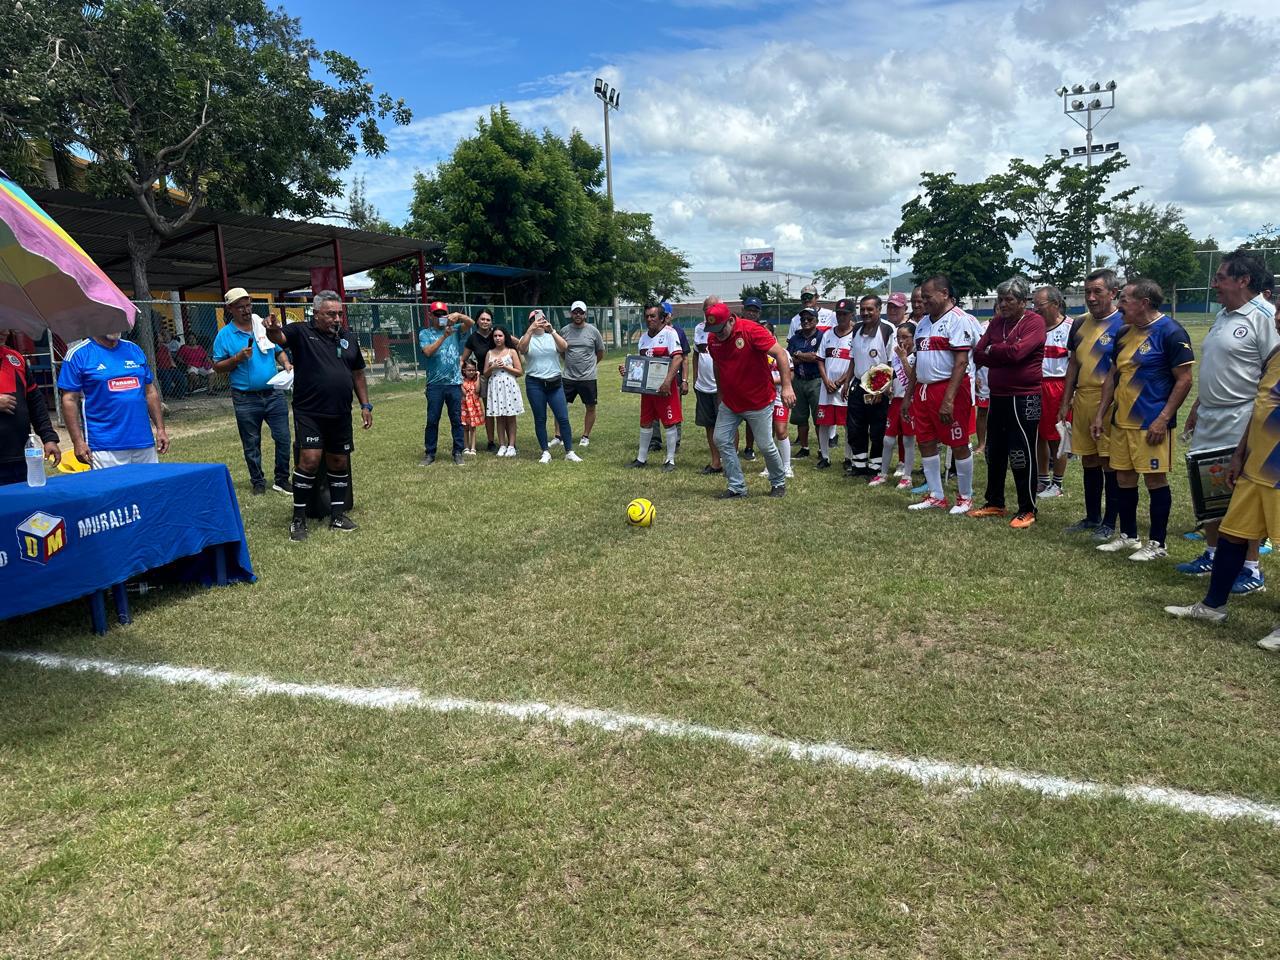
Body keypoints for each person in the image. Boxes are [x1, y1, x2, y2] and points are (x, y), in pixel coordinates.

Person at [1164, 303, 1280, 653]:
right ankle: (1213, 606)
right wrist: (1240, 454)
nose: (1278, 318)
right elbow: (1260, 409)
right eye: (1279, 311)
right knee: (1232, 534)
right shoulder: (1275, 356)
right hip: (1255, 466)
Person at [1176, 251, 1277, 592]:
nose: (1214, 283)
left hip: (1241, 416)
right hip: (1210, 415)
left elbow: (1271, 374)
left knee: (1239, 493)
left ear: (1243, 280)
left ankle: (1251, 568)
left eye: (1220, 277)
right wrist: (1198, 406)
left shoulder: (1263, 317)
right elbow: (1216, 367)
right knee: (1209, 488)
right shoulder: (1223, 314)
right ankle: (1212, 553)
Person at [1091, 279, 1194, 561]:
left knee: (1155, 480)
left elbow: (1184, 380)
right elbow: (1113, 376)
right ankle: (1129, 536)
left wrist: (1163, 418)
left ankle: (1158, 544)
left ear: (1144, 303)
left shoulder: (1171, 332)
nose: (1119, 305)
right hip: (1121, 422)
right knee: (1123, 478)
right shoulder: (1124, 332)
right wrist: (1101, 413)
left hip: (1151, 423)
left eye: (1124, 300)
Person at [265, 290, 372, 542]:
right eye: (330, 314)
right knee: (310, 461)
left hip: (340, 413)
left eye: (339, 314)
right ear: (316, 313)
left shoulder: (348, 338)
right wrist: (272, 329)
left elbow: (358, 373)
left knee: (339, 462)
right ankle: (298, 519)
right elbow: (278, 337)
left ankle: (337, 515)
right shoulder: (301, 332)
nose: (336, 319)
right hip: (310, 412)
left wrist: (365, 405)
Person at [969, 276, 1046, 528]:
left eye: (1009, 299)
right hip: (998, 395)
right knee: (995, 451)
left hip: (1023, 396)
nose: (1003, 304)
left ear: (1023, 301)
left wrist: (995, 350)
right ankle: (995, 502)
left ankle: (1027, 508)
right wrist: (1002, 351)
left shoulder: (1034, 322)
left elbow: (1018, 353)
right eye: (1000, 299)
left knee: (1021, 453)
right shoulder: (997, 323)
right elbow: (978, 353)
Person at [1059, 269, 1126, 540]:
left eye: (1097, 291)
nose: (1091, 297)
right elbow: (1073, 365)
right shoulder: (1079, 324)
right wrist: (1066, 400)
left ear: (1113, 293)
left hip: (1110, 400)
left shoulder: (1124, 323)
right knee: (1088, 458)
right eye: (1087, 292)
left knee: (1109, 460)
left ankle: (1110, 521)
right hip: (1083, 398)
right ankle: (1092, 516)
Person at [704, 301, 795, 498]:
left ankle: (778, 481)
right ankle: (737, 486)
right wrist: (720, 393)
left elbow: (780, 353)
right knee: (721, 439)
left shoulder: (752, 330)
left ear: (731, 320)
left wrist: (787, 386)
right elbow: (718, 365)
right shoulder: (713, 339)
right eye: (713, 330)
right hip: (731, 401)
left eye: (720, 329)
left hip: (758, 400)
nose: (717, 334)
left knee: (765, 445)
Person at [907, 275, 981, 514]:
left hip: (950, 388)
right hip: (924, 389)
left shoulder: (959, 320)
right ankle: (936, 495)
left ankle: (965, 497)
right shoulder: (922, 323)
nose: (923, 302)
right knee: (926, 441)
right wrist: (908, 397)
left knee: (958, 443)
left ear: (945, 294)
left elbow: (961, 362)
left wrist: (949, 399)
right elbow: (918, 362)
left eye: (927, 297)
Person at [212, 287, 294, 495]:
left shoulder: (262, 327)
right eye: (240, 307)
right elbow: (217, 366)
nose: (246, 310)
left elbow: (278, 351)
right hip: (245, 398)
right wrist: (237, 358)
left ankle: (282, 479)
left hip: (274, 393)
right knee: (251, 442)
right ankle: (258, 482)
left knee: (283, 437)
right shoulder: (225, 335)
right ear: (230, 309)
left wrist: (286, 363)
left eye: (248, 305)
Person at [59, 330, 169, 469]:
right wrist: (77, 441)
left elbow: (150, 392)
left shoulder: (134, 349)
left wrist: (160, 429)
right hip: (104, 446)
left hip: (143, 442)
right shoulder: (78, 354)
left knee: (149, 483)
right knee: (112, 484)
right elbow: (69, 400)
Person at [623, 304, 683, 471]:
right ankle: (641, 459)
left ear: (662, 318)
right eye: (647, 316)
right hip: (647, 390)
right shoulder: (643, 338)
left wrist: (667, 381)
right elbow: (641, 365)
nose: (649, 319)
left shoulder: (670, 333)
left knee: (669, 422)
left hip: (665, 388)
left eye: (653, 316)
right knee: (646, 422)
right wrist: (628, 372)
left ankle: (670, 460)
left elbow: (678, 358)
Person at [843, 294, 896, 477]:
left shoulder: (887, 329)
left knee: (877, 429)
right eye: (862, 309)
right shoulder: (857, 328)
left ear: (879, 310)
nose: (865, 313)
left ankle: (875, 466)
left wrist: (881, 389)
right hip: (858, 384)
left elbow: (891, 363)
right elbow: (852, 358)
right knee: (855, 427)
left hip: (878, 387)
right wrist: (847, 381)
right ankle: (859, 465)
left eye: (869, 309)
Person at [519, 309, 581, 464]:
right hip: (535, 383)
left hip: (554, 383)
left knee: (563, 417)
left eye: (542, 319)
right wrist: (530, 330)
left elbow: (564, 347)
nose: (539, 322)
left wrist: (552, 330)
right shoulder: (526, 337)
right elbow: (522, 349)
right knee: (540, 418)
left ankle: (569, 451)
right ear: (530, 322)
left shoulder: (551, 336)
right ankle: (545, 452)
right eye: (535, 319)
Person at [0, 329, 60, 484]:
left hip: (21, 456)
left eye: (6, 326)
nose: (4, 331)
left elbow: (35, 402)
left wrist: (48, 438)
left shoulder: (15, 358)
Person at [418, 300, 474, 466]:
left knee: (456, 419)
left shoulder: (455, 329)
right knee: (432, 420)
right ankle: (430, 453)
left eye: (443, 314)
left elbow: (471, 323)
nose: (440, 317)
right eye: (437, 315)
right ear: (430, 316)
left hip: (454, 383)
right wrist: (444, 336)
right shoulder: (425, 333)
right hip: (435, 384)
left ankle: (458, 452)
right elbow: (428, 352)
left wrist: (459, 315)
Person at [1031, 285, 1072, 498]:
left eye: (1040, 305)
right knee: (1039, 435)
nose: (1035, 309)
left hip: (1058, 387)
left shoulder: (1070, 328)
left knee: (1057, 436)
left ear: (1055, 304)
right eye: (1034, 304)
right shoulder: (1033, 327)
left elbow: (1076, 365)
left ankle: (1057, 483)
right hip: (1035, 386)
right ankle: (1043, 479)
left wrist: (1070, 395)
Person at [869, 323, 917, 489]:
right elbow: (893, 375)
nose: (901, 341)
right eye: (899, 337)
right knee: (888, 439)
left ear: (913, 338)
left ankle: (907, 476)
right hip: (895, 401)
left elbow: (912, 378)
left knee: (908, 440)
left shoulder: (916, 356)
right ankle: (883, 474)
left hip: (910, 401)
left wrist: (903, 358)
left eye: (906, 337)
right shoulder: (895, 356)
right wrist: (886, 387)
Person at [815, 299, 856, 469]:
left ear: (851, 314)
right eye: (838, 314)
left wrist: (840, 381)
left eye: (844, 314)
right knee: (824, 422)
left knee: (848, 423)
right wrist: (826, 381)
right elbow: (820, 359)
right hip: (827, 386)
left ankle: (848, 458)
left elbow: (855, 362)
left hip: (845, 386)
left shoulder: (856, 335)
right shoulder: (828, 334)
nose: (841, 317)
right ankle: (825, 457)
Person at [560, 300, 605, 447]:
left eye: (581, 312)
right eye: (575, 312)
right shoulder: (564, 331)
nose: (578, 315)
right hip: (568, 377)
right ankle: (559, 436)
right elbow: (561, 351)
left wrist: (591, 365)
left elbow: (600, 352)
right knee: (560, 405)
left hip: (588, 377)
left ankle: (585, 436)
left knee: (590, 406)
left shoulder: (593, 331)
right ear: (571, 314)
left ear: (585, 314)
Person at [692, 297, 725, 475]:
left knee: (727, 425)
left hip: (722, 387)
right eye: (707, 308)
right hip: (703, 386)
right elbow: (696, 354)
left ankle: (729, 461)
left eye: (714, 307)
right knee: (709, 425)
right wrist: (695, 378)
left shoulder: (725, 327)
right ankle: (715, 462)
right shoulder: (699, 328)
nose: (709, 311)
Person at [785, 308, 823, 459]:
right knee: (800, 417)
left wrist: (799, 354)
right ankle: (804, 447)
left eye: (809, 319)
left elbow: (816, 357)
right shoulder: (795, 338)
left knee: (819, 417)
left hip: (816, 380)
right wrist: (804, 356)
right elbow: (789, 359)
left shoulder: (821, 336)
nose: (806, 321)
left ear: (816, 320)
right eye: (803, 319)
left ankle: (822, 449)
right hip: (799, 380)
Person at [460, 308, 497, 452]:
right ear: (477, 321)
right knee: (488, 409)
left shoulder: (496, 334)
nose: (485, 322)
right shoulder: (473, 338)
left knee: (502, 411)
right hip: (483, 377)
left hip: (500, 375)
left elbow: (514, 342)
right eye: (482, 319)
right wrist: (458, 375)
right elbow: (463, 359)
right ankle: (491, 441)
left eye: (488, 319)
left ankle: (506, 442)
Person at [483, 327, 523, 455]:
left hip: (509, 386)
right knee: (499, 417)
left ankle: (511, 445)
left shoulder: (512, 351)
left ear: (505, 337)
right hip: (495, 387)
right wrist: (492, 367)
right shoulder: (489, 353)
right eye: (495, 336)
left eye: (500, 336)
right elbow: (485, 373)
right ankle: (502, 445)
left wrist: (505, 366)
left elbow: (519, 371)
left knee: (511, 417)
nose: (497, 338)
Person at [460, 358, 485, 455]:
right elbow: (464, 393)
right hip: (465, 407)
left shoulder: (475, 380)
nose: (471, 372)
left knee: (473, 427)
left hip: (474, 407)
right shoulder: (462, 381)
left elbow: (477, 390)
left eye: (473, 370)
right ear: (464, 371)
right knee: (465, 427)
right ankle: (466, 447)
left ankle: (473, 448)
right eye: (469, 370)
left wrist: (478, 377)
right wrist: (460, 383)